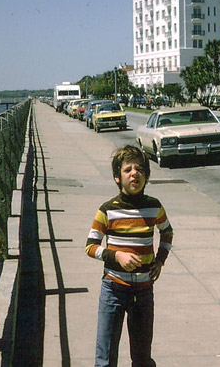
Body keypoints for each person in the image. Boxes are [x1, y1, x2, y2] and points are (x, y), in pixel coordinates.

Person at [85, 145, 174, 367]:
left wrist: (160, 260)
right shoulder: (107, 210)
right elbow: (90, 246)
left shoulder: (154, 207)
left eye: (140, 169)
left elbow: (167, 232)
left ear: (146, 176)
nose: (134, 173)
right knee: (105, 356)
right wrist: (117, 256)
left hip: (144, 291)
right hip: (114, 289)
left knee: (142, 355)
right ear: (117, 177)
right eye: (128, 170)